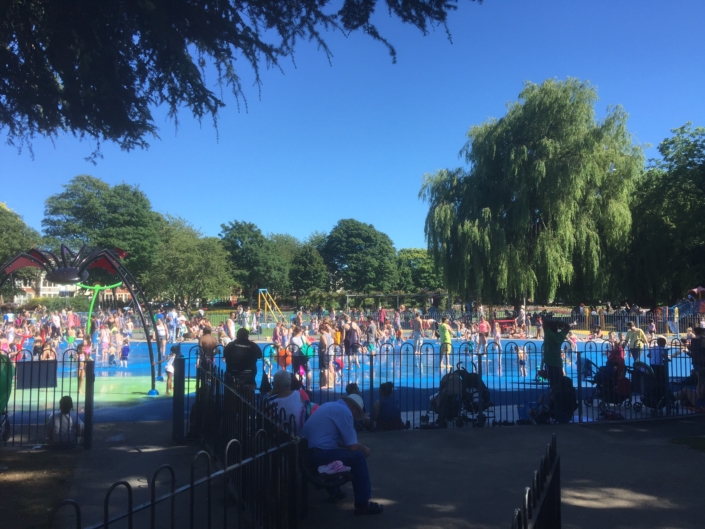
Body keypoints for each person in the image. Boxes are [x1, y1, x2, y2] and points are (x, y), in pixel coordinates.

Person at [300, 394, 383, 516]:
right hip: (317, 455)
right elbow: (353, 446)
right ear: (354, 408)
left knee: (334, 450)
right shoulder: (345, 411)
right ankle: (362, 504)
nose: (354, 418)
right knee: (358, 457)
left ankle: (335, 491)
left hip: (307, 453)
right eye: (356, 414)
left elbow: (335, 441)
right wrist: (364, 449)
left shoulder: (330, 405)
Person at [541, 320, 570, 388]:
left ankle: (553, 396)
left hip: (549, 362)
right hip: (557, 362)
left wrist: (555, 322)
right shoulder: (560, 336)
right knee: (558, 383)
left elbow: (545, 323)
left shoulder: (548, 334)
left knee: (552, 383)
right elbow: (568, 327)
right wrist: (562, 323)